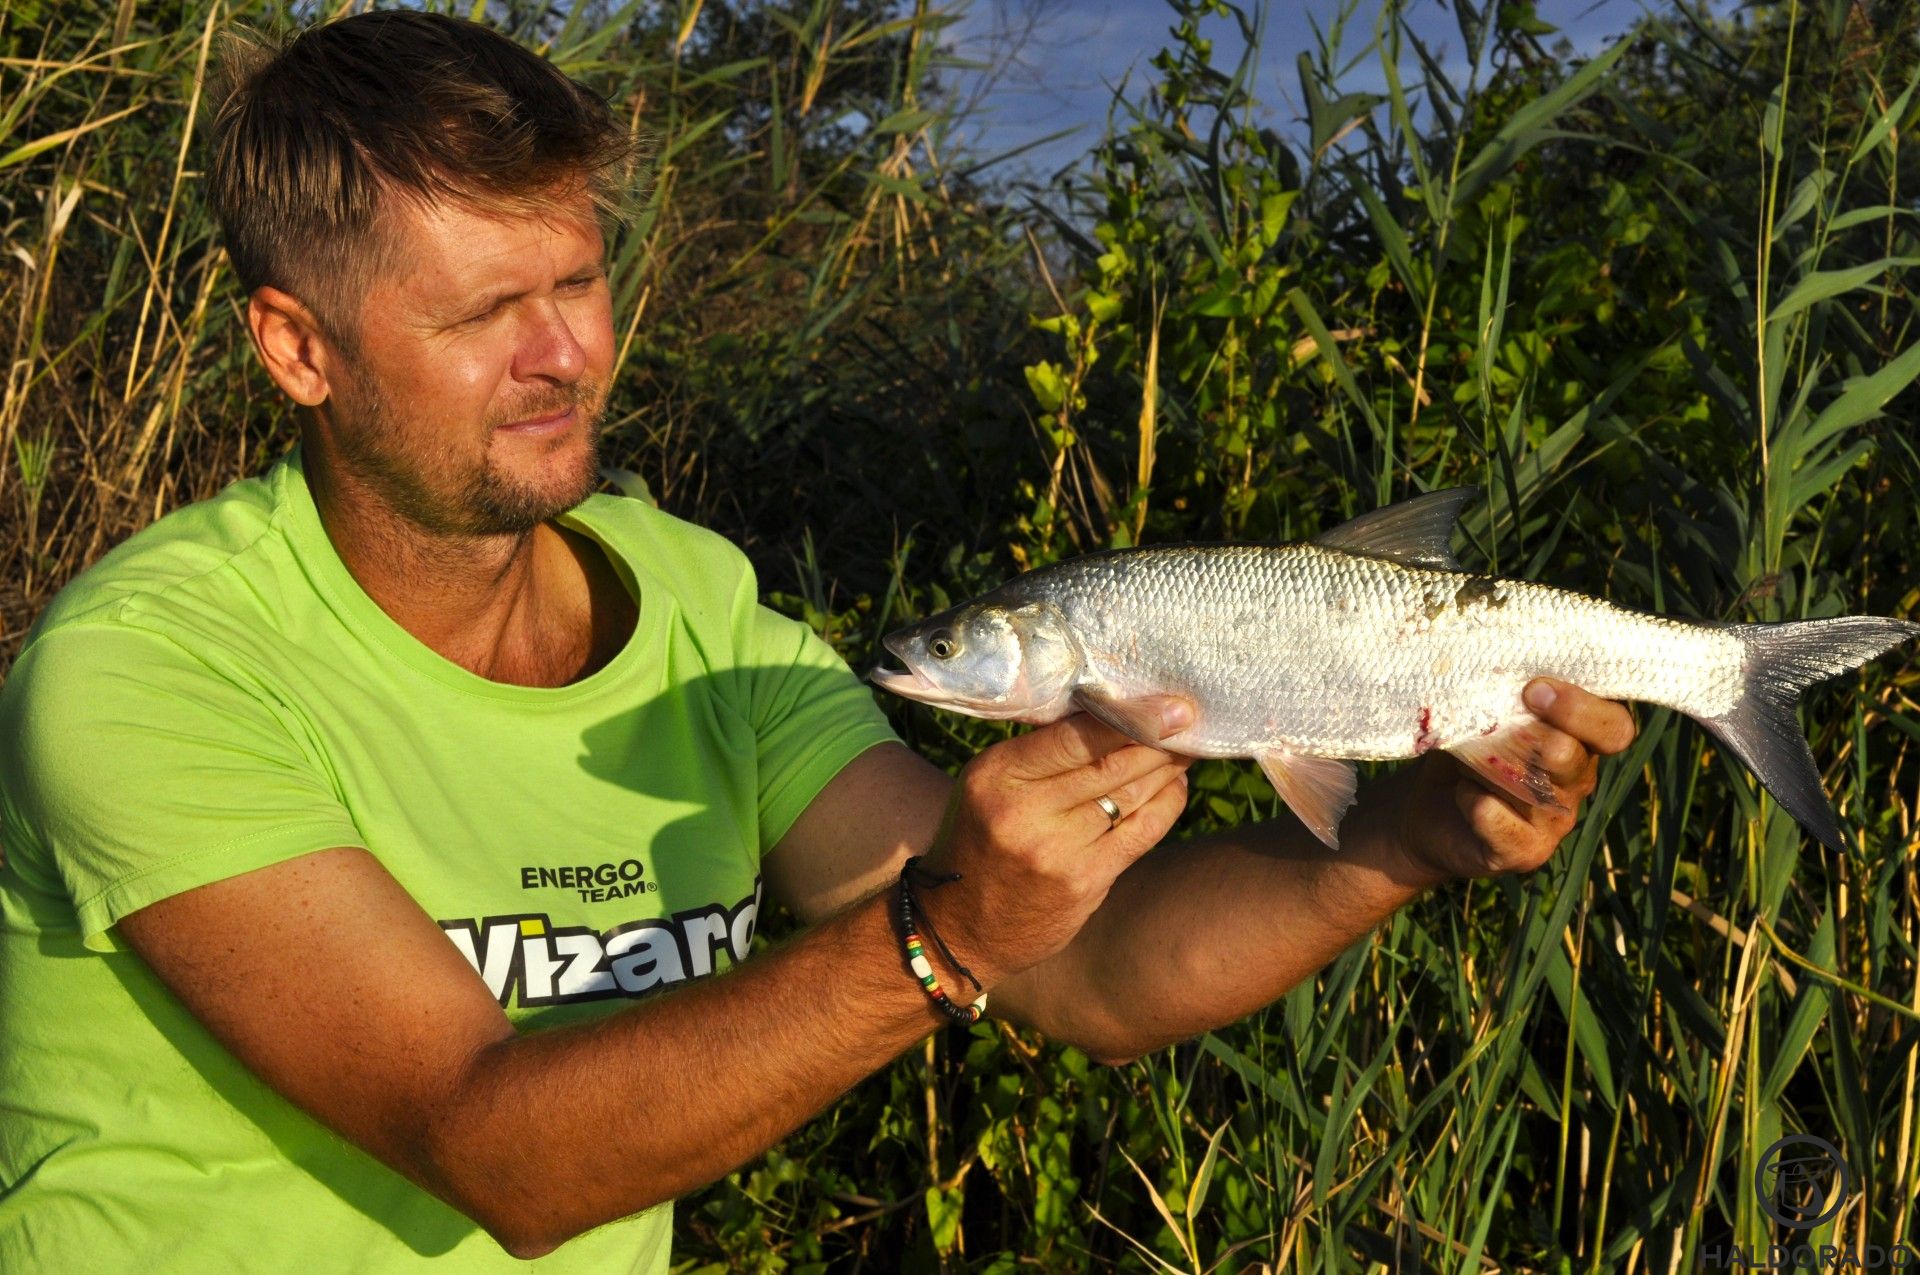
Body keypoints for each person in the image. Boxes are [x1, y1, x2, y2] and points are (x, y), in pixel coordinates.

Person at [0, 10, 1636, 1271]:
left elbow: (1076, 969)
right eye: (483, 313)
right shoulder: (149, 669)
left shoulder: (693, 605)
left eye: (578, 278)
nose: (567, 353)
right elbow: (497, 1157)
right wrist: (942, 941)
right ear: (297, 348)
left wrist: (1404, 844)